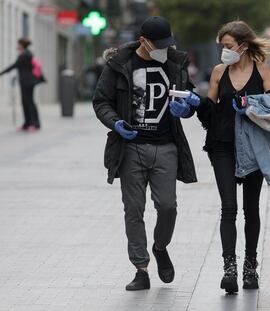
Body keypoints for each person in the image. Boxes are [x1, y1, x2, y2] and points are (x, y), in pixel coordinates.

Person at [92, 16, 198, 291]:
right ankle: (141, 268)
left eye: (167, 44)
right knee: (134, 209)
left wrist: (186, 108)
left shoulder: (176, 63)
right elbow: (101, 100)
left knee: (167, 206)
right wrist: (115, 122)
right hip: (131, 149)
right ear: (143, 42)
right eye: (158, 45)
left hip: (166, 147)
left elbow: (188, 96)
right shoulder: (118, 65)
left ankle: (160, 247)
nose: (164, 49)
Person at [186, 21, 270, 293]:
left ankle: (250, 266)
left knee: (250, 208)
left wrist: (250, 106)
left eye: (228, 46)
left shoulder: (262, 69)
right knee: (228, 208)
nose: (224, 51)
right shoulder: (219, 72)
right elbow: (210, 115)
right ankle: (229, 268)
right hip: (222, 145)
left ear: (242, 45)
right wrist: (196, 105)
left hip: (253, 146)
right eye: (222, 47)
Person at [0, 38, 43, 131]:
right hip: (26, 82)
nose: (16, 46)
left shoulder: (24, 55)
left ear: (21, 45)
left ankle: (35, 124)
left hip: (27, 82)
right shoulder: (27, 54)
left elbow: (14, 66)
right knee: (25, 102)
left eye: (18, 44)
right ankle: (27, 123)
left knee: (29, 102)